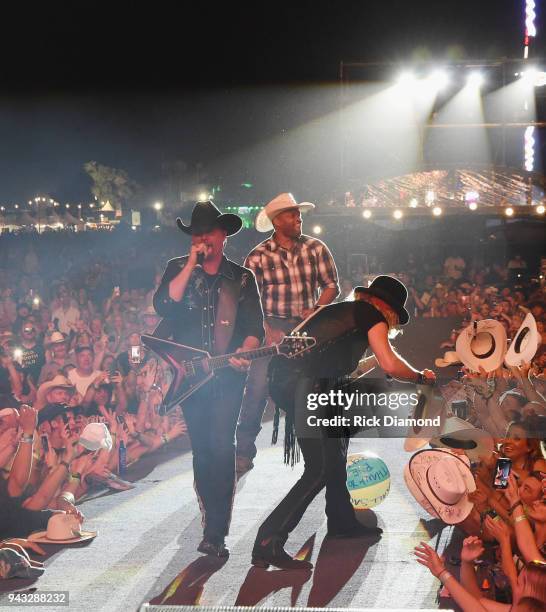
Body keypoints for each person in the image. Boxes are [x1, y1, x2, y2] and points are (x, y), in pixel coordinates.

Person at [251, 275, 436, 569]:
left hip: (299, 385)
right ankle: (268, 540)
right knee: (320, 468)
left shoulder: (343, 313)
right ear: (386, 308)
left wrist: (374, 363)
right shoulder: (369, 315)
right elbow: (390, 363)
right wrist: (419, 377)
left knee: (335, 449)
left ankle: (341, 520)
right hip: (310, 389)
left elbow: (344, 370)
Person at [152, 201, 264, 558]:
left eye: (209, 232)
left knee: (221, 445)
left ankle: (217, 531)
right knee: (202, 449)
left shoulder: (242, 278)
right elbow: (164, 307)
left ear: (223, 236)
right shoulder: (177, 269)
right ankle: (208, 518)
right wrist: (189, 265)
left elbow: (254, 328)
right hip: (189, 379)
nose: (203, 239)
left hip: (227, 376)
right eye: (197, 233)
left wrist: (246, 350)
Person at [236, 193, 339, 474]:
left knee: (313, 391)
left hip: (308, 331)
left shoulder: (316, 248)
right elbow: (247, 300)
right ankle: (243, 452)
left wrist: (318, 308)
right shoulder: (257, 256)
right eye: (292, 215)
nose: (299, 218)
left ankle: (321, 454)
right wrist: (267, 328)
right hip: (273, 328)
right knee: (256, 390)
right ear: (277, 221)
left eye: (298, 214)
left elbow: (332, 285)